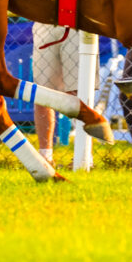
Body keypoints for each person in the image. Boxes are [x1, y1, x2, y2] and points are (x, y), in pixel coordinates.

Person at [31, 22, 81, 167]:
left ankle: (83, 156)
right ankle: (45, 158)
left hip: (80, 24)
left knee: (78, 93)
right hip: (45, 22)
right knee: (42, 95)